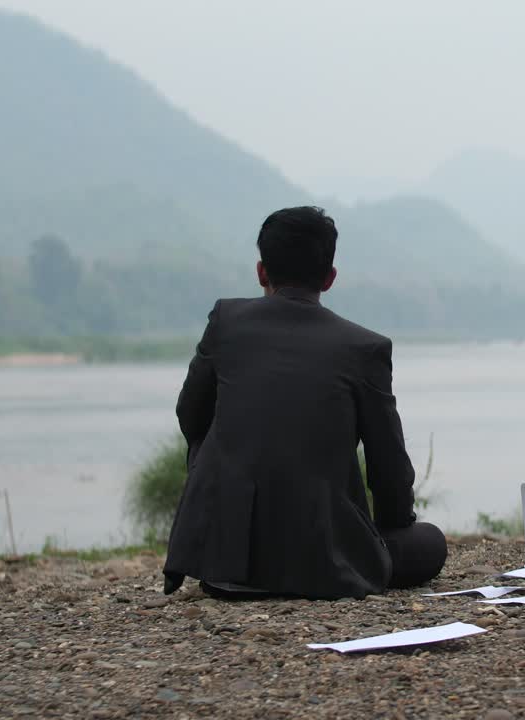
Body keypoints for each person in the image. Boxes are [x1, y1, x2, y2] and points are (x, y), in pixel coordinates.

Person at [162, 206, 447, 600]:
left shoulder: (227, 321)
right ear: (329, 279)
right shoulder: (365, 348)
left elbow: (190, 417)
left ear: (262, 272)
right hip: (321, 562)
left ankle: (227, 549)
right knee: (430, 543)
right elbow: (389, 468)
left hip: (222, 565)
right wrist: (392, 527)